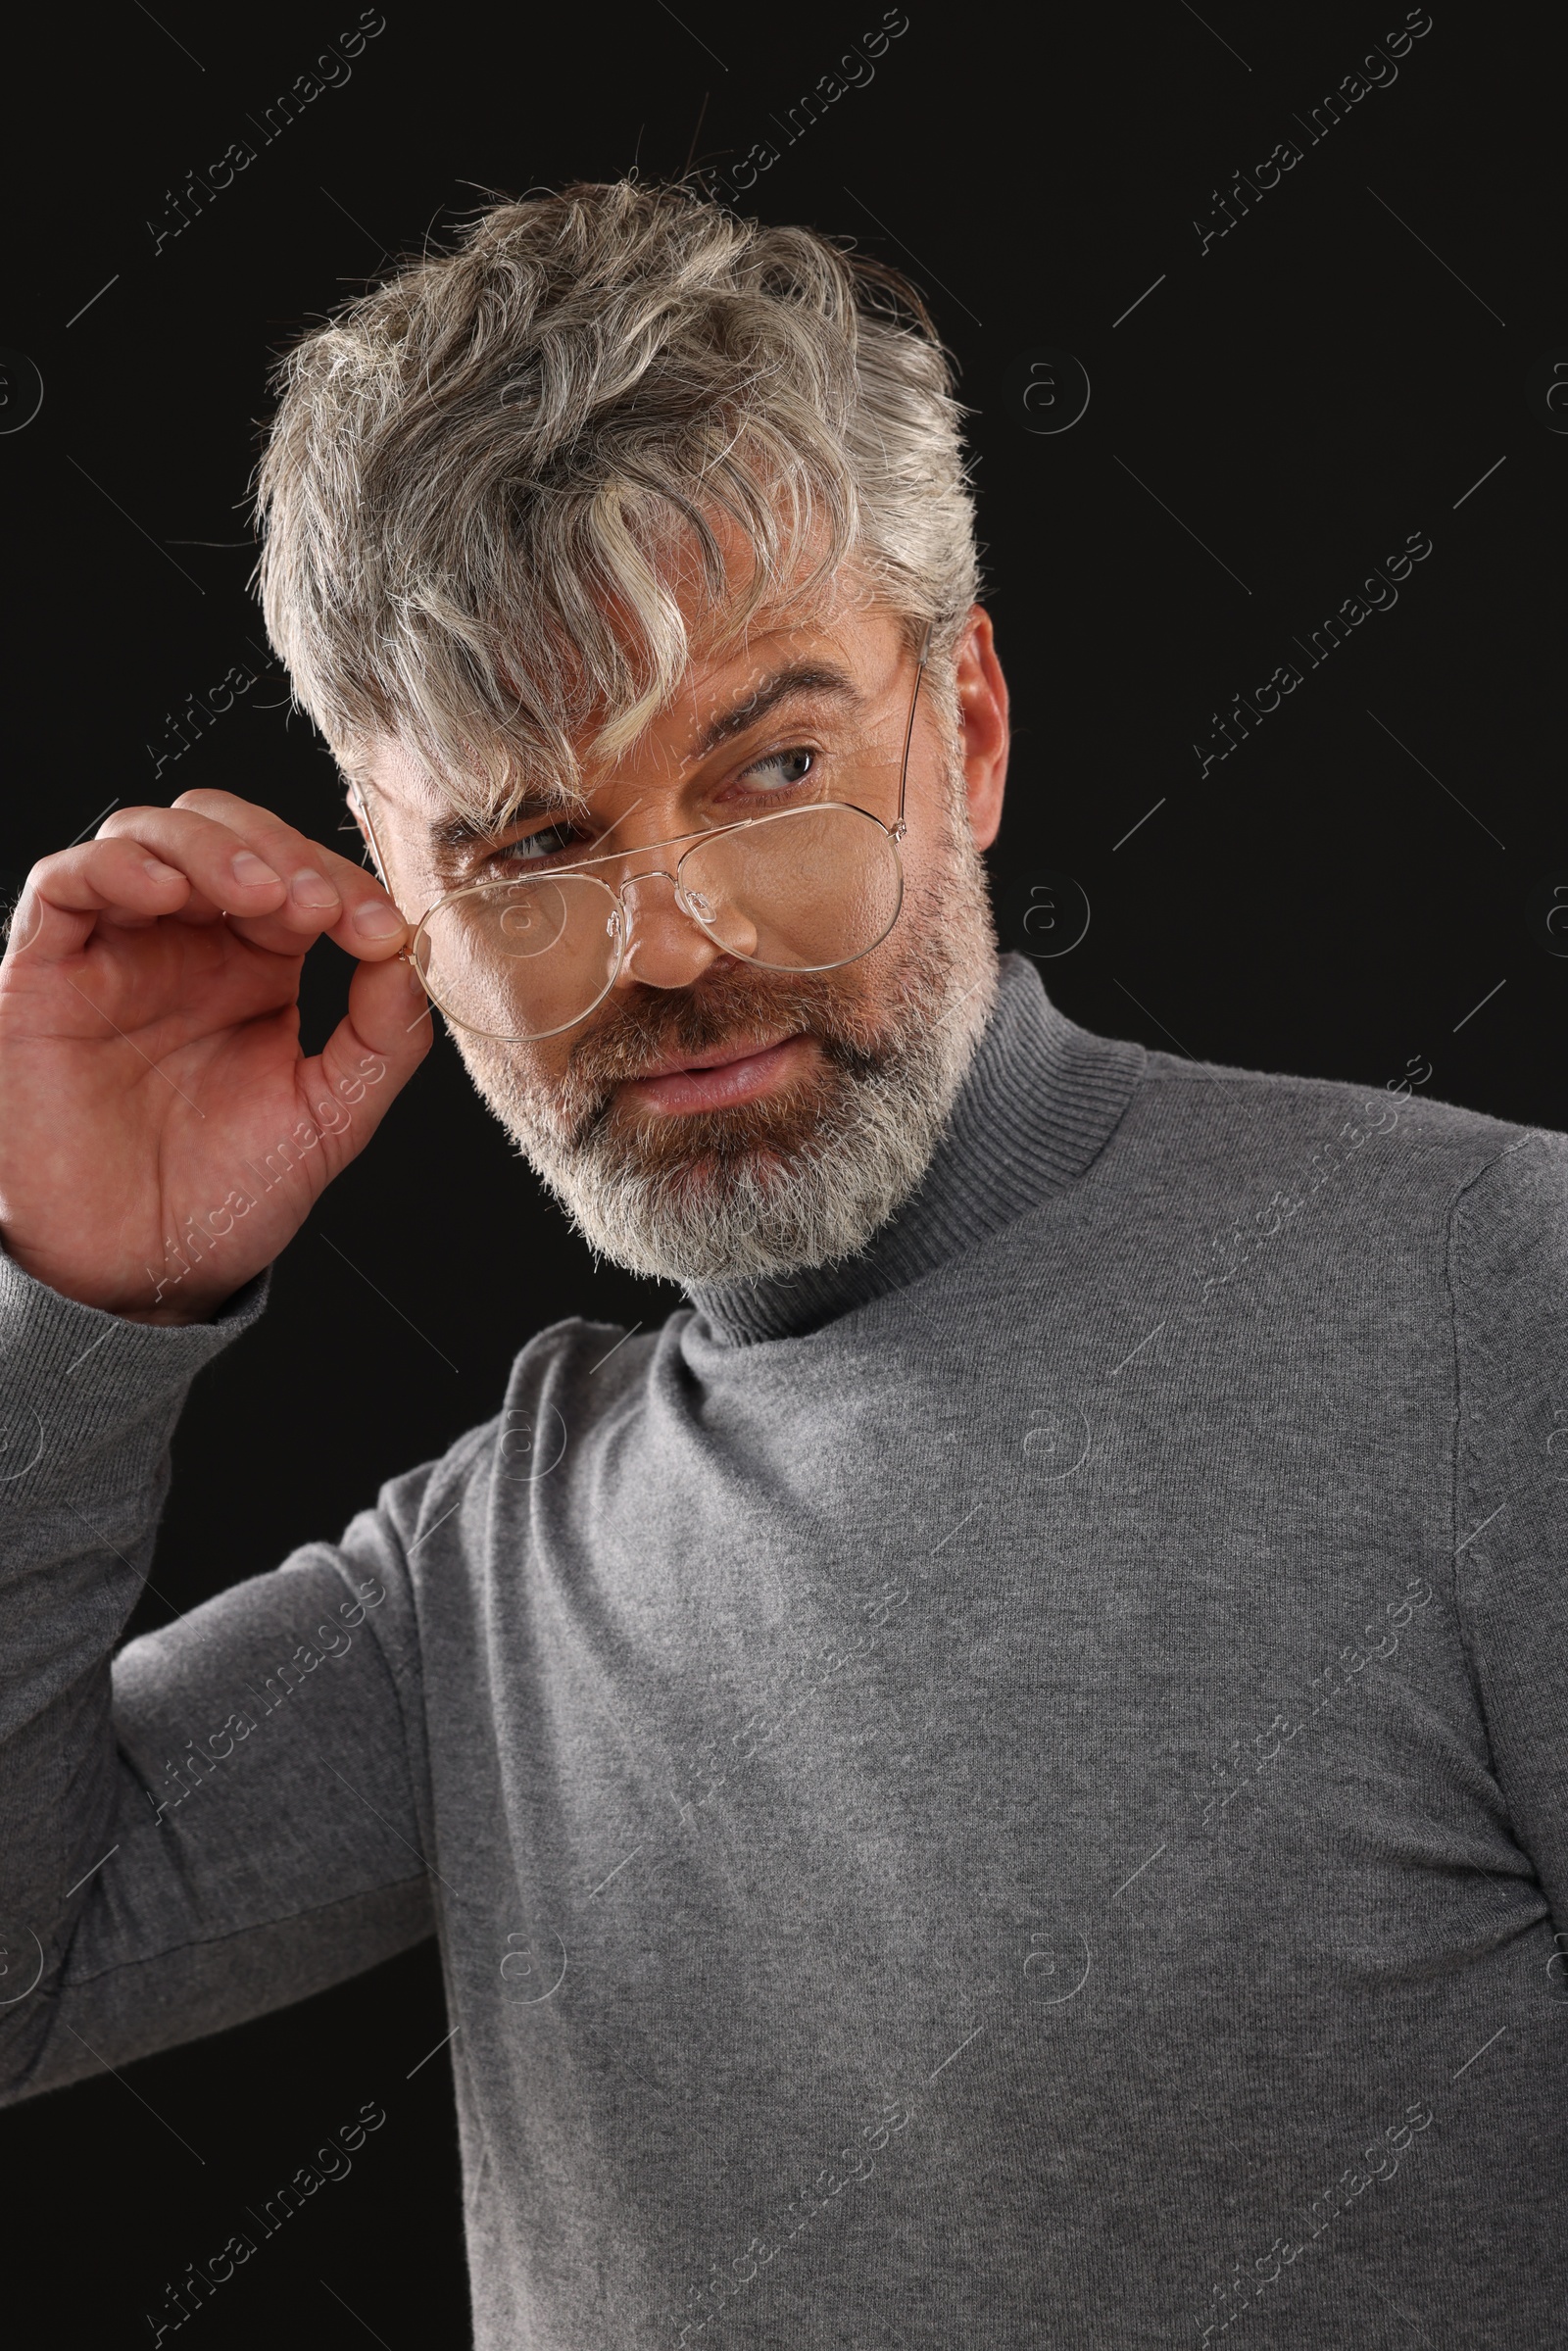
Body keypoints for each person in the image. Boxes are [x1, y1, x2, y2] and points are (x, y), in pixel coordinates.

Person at [1, 180, 1563, 2349]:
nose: (672, 948)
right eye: (532, 848)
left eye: (775, 771)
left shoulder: (1497, 1304)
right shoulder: (486, 1568)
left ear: (972, 731)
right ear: (398, 901)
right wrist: (87, 1309)